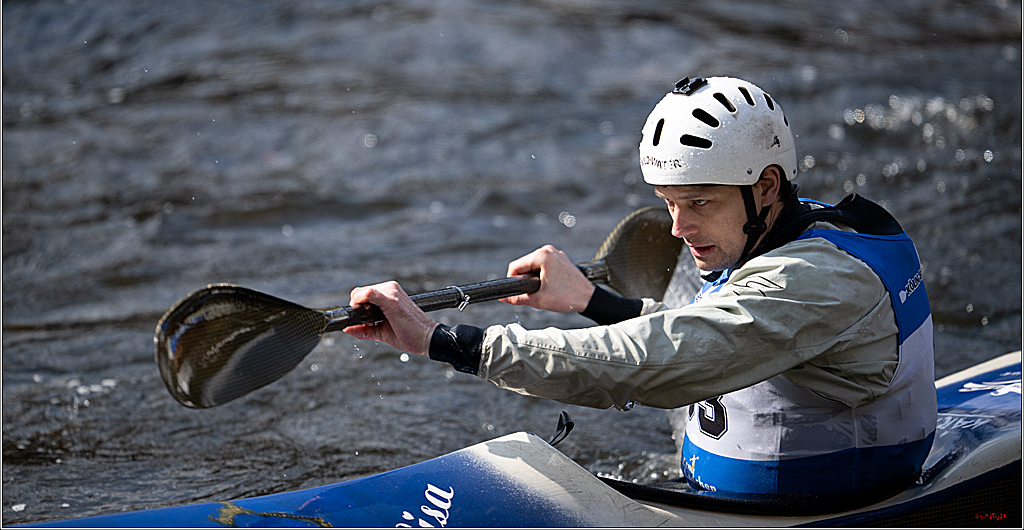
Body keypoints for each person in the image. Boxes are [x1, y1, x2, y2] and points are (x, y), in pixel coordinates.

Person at [344, 76, 937, 500]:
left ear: (766, 186)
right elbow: (714, 331)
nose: (678, 229)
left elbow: (653, 362)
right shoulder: (788, 232)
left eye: (698, 202)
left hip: (827, 512)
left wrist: (445, 342)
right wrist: (589, 300)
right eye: (669, 204)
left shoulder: (816, 281)